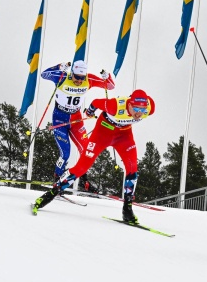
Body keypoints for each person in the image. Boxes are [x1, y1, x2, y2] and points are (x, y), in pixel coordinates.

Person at [32, 89, 155, 223]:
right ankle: (49, 195)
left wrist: (140, 112)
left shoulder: (150, 107)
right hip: (103, 132)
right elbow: (95, 102)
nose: (139, 114)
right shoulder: (114, 105)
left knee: (132, 168)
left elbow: (144, 109)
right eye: (136, 109)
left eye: (142, 111)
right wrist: (89, 112)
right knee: (82, 167)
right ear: (129, 104)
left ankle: (127, 210)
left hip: (124, 136)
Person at [40, 60, 115, 187]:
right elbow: (44, 74)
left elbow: (110, 86)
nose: (79, 81)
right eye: (77, 77)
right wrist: (58, 67)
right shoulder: (62, 76)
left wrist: (107, 77)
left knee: (86, 151)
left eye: (82, 78)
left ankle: (84, 180)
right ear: (72, 73)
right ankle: (57, 178)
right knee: (65, 154)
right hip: (60, 119)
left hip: (77, 121)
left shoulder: (89, 79)